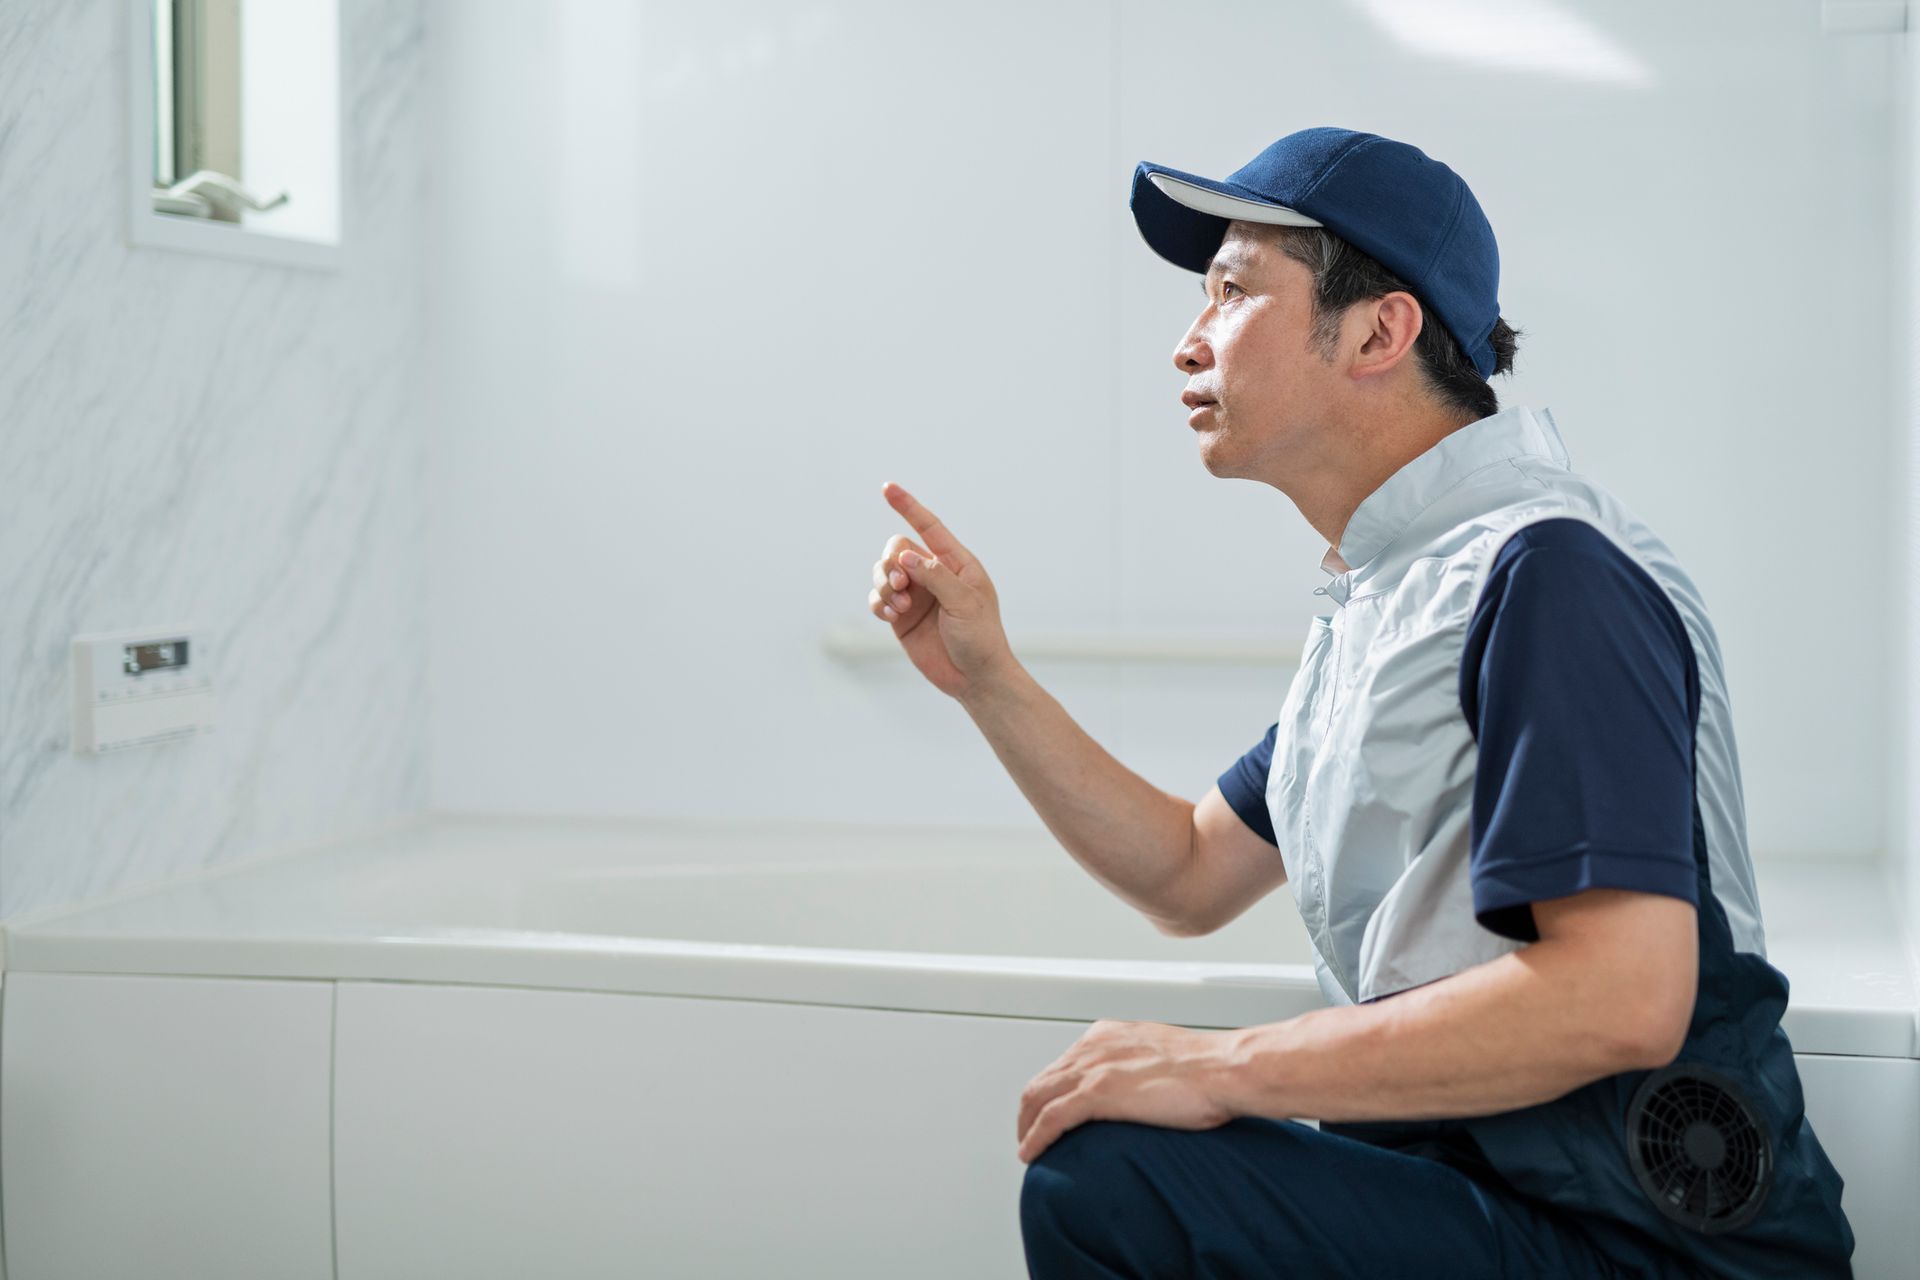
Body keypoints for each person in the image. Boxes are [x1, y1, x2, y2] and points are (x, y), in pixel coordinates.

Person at [867, 127, 1855, 1278]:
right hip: (1501, 1198)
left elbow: (1622, 995)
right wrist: (988, 673)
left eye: (1231, 292)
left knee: (1115, 1178)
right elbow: (1186, 870)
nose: (1187, 344)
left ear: (1381, 330)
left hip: (1648, 1244)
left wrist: (1220, 1063)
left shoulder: (1546, 572)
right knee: (1121, 1158)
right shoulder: (1396, 597)